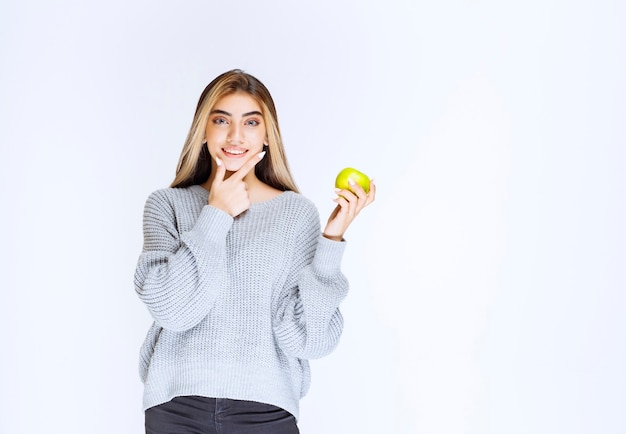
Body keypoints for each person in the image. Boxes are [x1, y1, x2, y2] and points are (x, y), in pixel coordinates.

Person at [134, 69, 376, 434]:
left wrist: (331, 241)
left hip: (265, 411)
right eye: (221, 120)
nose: (235, 136)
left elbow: (310, 340)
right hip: (176, 408)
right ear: (203, 130)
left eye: (251, 122)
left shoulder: (295, 214)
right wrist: (216, 213)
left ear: (267, 134)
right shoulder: (167, 205)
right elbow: (172, 309)